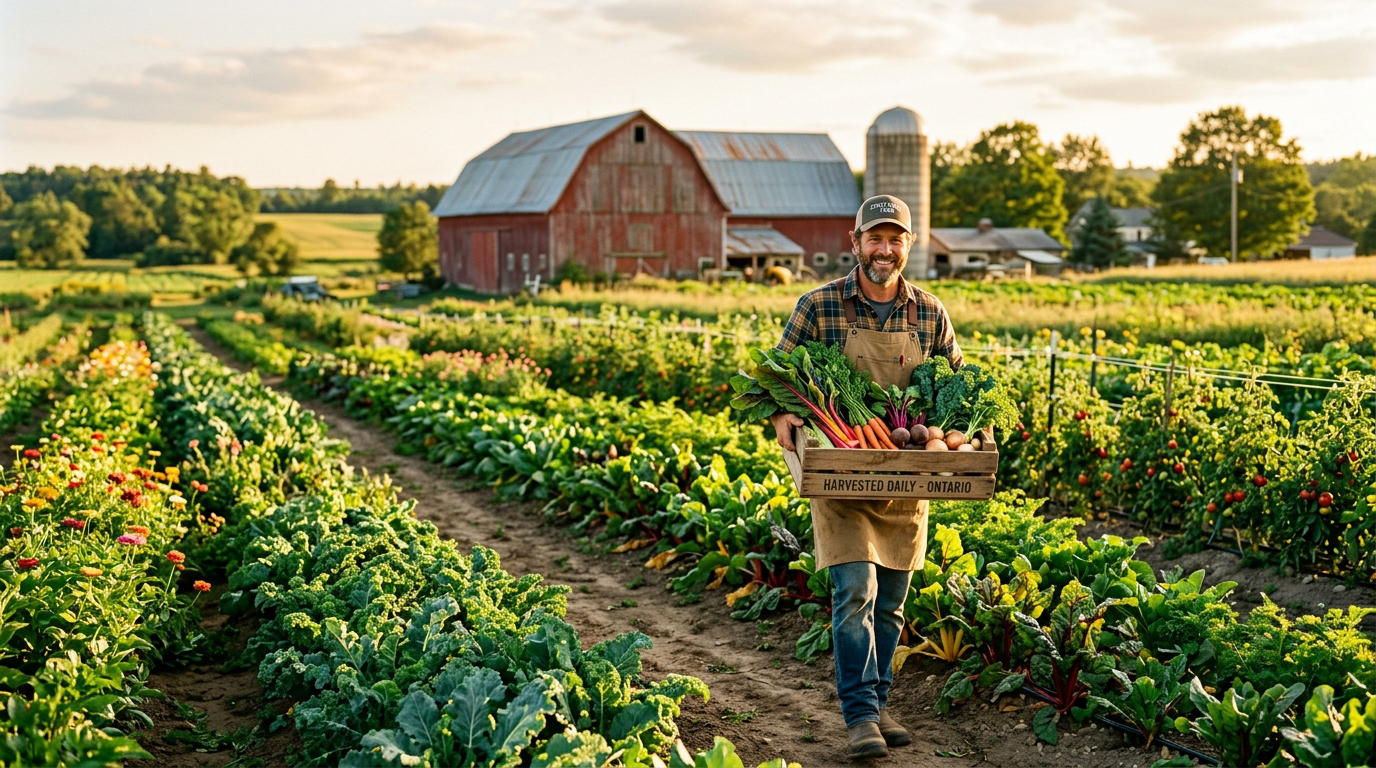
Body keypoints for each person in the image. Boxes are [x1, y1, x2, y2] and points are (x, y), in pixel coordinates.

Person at [772, 195, 963, 760]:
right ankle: (859, 717)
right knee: (855, 590)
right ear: (854, 242)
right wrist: (782, 411)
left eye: (895, 239)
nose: (885, 250)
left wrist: (955, 432)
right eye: (874, 239)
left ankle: (880, 704)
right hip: (841, 476)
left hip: (906, 480)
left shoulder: (929, 312)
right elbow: (778, 373)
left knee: (892, 605)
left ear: (908, 245)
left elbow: (956, 383)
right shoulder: (818, 306)